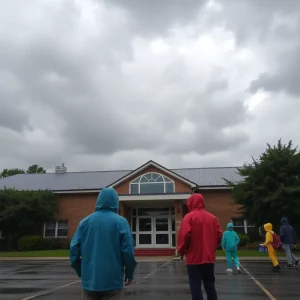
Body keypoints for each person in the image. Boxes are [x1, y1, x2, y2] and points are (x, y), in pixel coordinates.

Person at [70, 187, 137, 300]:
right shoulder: (121, 222)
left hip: (90, 282)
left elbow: (73, 251)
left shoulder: (84, 223)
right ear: (115, 202)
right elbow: (128, 252)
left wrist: (82, 272)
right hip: (113, 281)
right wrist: (129, 273)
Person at [178, 192, 223, 300]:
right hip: (208, 258)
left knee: (195, 285)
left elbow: (184, 236)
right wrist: (211, 246)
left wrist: (181, 251)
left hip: (194, 259)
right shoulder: (212, 218)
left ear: (191, 203)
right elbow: (219, 234)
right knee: (210, 285)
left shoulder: (189, 217)